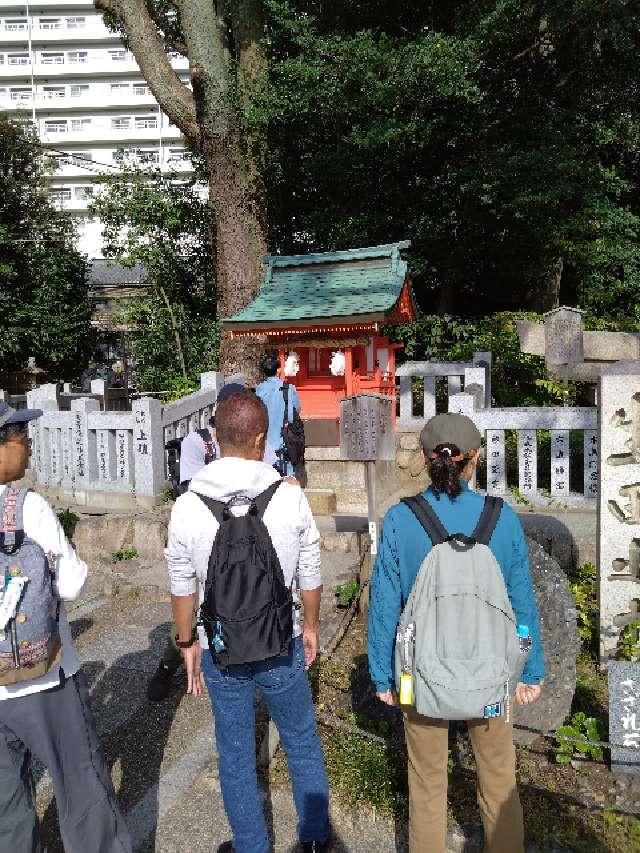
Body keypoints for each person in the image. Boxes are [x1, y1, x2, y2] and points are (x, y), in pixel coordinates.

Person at [368, 412, 544, 853]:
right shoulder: (501, 519)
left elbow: (385, 604)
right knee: (499, 778)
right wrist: (529, 669)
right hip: (491, 674)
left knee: (426, 782)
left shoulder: (400, 519)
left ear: (427, 460)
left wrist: (383, 676)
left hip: (420, 672)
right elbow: (522, 605)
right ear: (475, 459)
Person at [166, 389, 330, 853]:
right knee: (300, 740)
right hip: (283, 641)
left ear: (215, 437)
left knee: (235, 755)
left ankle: (251, 845)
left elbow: (182, 584)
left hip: (221, 648)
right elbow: (310, 573)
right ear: (261, 438)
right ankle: (315, 839)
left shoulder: (187, 504)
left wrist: (187, 645)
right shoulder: (289, 495)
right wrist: (311, 627)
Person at [0, 402, 133, 853]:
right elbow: (73, 583)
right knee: (80, 784)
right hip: (40, 676)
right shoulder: (26, 507)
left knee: (5, 808)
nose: (28, 444)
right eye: (20, 436)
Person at [147, 382, 276, 702]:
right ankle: (169, 663)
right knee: (192, 607)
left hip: (249, 538)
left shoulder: (261, 441)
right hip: (206, 538)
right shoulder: (197, 442)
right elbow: (191, 487)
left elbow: (271, 477)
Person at [255, 352, 301, 476]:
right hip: (283, 444)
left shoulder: (257, 391)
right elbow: (294, 414)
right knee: (287, 484)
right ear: (279, 369)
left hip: (262, 446)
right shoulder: (288, 389)